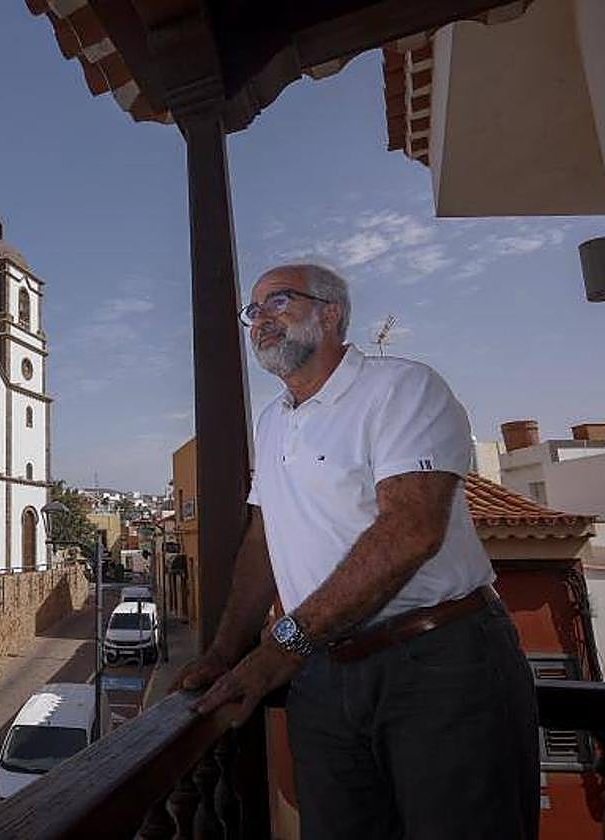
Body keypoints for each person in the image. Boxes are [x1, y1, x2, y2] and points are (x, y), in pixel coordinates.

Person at [174, 264, 538, 839]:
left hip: (438, 662)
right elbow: (264, 542)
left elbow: (412, 531)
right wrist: (224, 652)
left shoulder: (402, 389)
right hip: (324, 676)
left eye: (277, 302)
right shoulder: (272, 424)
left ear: (331, 312)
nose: (260, 320)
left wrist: (282, 647)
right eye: (253, 311)